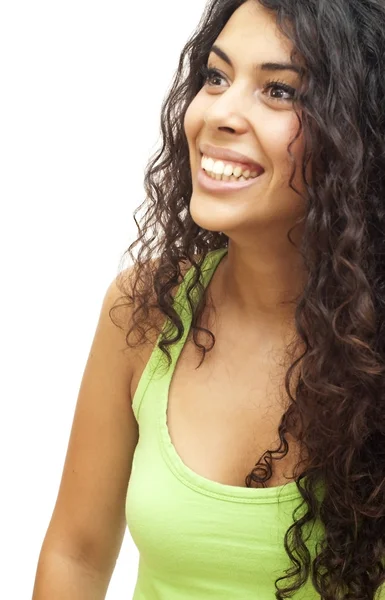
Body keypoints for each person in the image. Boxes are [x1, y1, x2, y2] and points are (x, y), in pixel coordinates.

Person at [32, 0, 385, 598]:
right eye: (216, 77)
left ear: (359, 135)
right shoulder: (146, 309)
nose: (219, 112)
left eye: (279, 90)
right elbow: (77, 555)